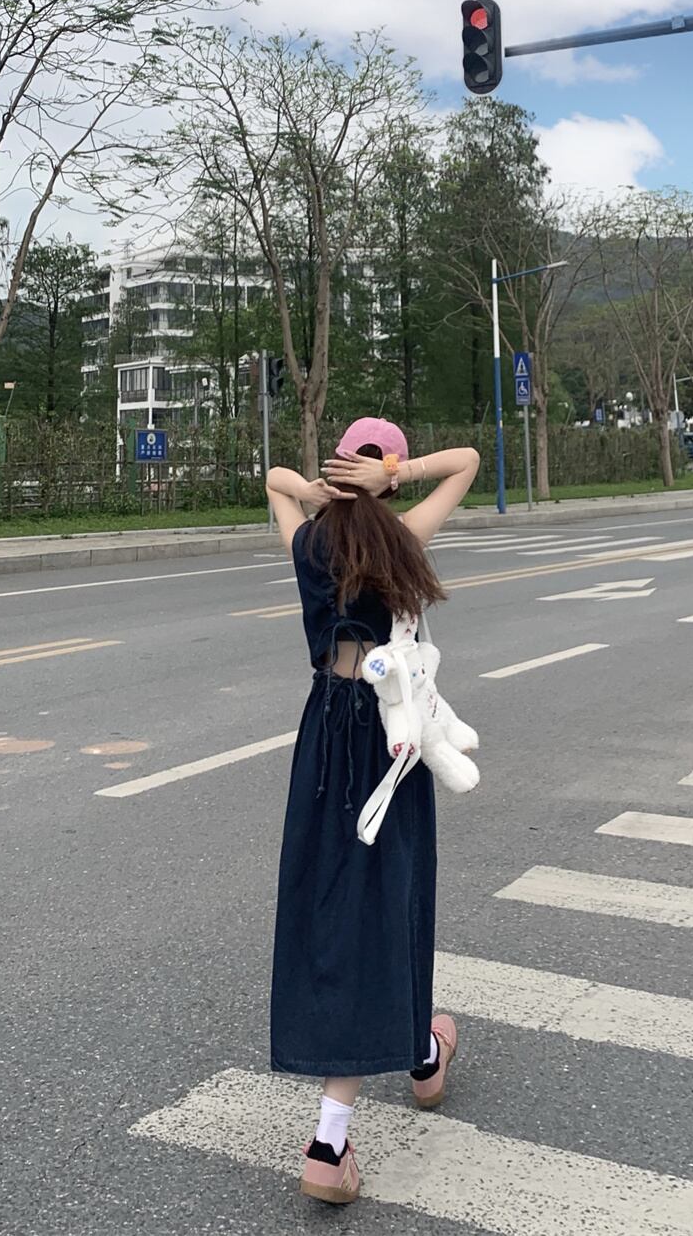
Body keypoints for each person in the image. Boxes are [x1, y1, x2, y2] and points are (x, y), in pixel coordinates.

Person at [266, 418, 480, 1205]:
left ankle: (422, 1051)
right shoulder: (401, 536)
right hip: (391, 736)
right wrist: (395, 476)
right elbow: (467, 461)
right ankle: (329, 1141)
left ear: (339, 468)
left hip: (327, 730)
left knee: (333, 902)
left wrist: (313, 489)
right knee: (390, 899)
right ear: (386, 474)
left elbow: (274, 480)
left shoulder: (309, 543)